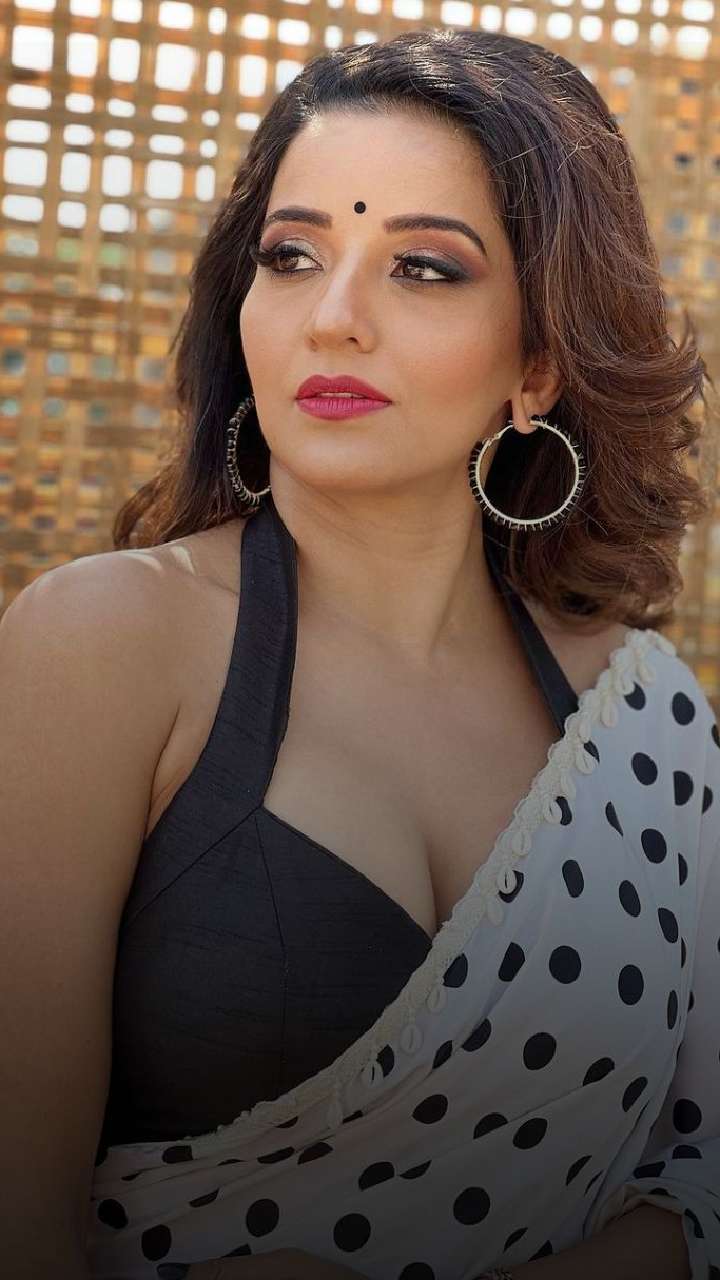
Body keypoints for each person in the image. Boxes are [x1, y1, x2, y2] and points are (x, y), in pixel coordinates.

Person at [2, 25, 718, 1280]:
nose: (331, 319)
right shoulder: (106, 646)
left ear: (539, 363)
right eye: (292, 256)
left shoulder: (644, 720)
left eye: (423, 269)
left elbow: (704, 1178)